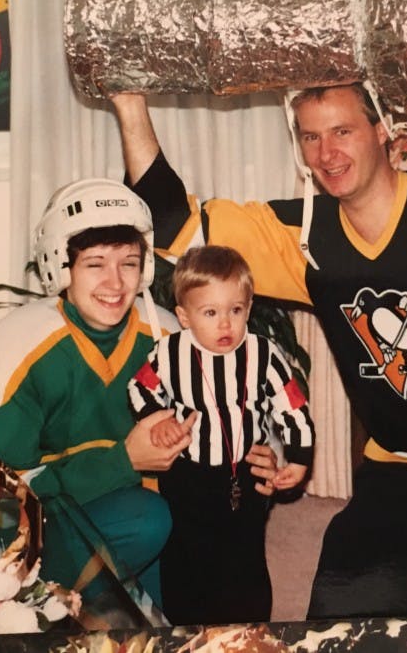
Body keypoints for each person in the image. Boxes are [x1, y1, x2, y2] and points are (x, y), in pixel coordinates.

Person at [109, 76, 407, 618]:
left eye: (342, 131)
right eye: (311, 137)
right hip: (404, 471)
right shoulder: (305, 234)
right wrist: (130, 103)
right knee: (338, 630)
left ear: (382, 129)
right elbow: (178, 227)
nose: (328, 152)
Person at [0, 179, 279, 610]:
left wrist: (260, 456)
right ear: (61, 266)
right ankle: (36, 614)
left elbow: (233, 413)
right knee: (146, 519)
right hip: (15, 535)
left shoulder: (168, 334)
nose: (115, 281)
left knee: (193, 559)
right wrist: (122, 462)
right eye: (95, 264)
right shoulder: (15, 347)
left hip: (123, 521)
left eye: (128, 263)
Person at [127, 244, 315, 624]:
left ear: (248, 307)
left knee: (243, 556)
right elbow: (139, 388)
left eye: (236, 310)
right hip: (187, 473)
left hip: (242, 473)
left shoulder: (264, 354)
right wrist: (158, 418)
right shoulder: (169, 352)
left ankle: (248, 631)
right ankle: (188, 630)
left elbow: (292, 405)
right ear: (184, 316)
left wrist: (299, 458)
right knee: (184, 554)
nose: (226, 324)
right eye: (210, 313)